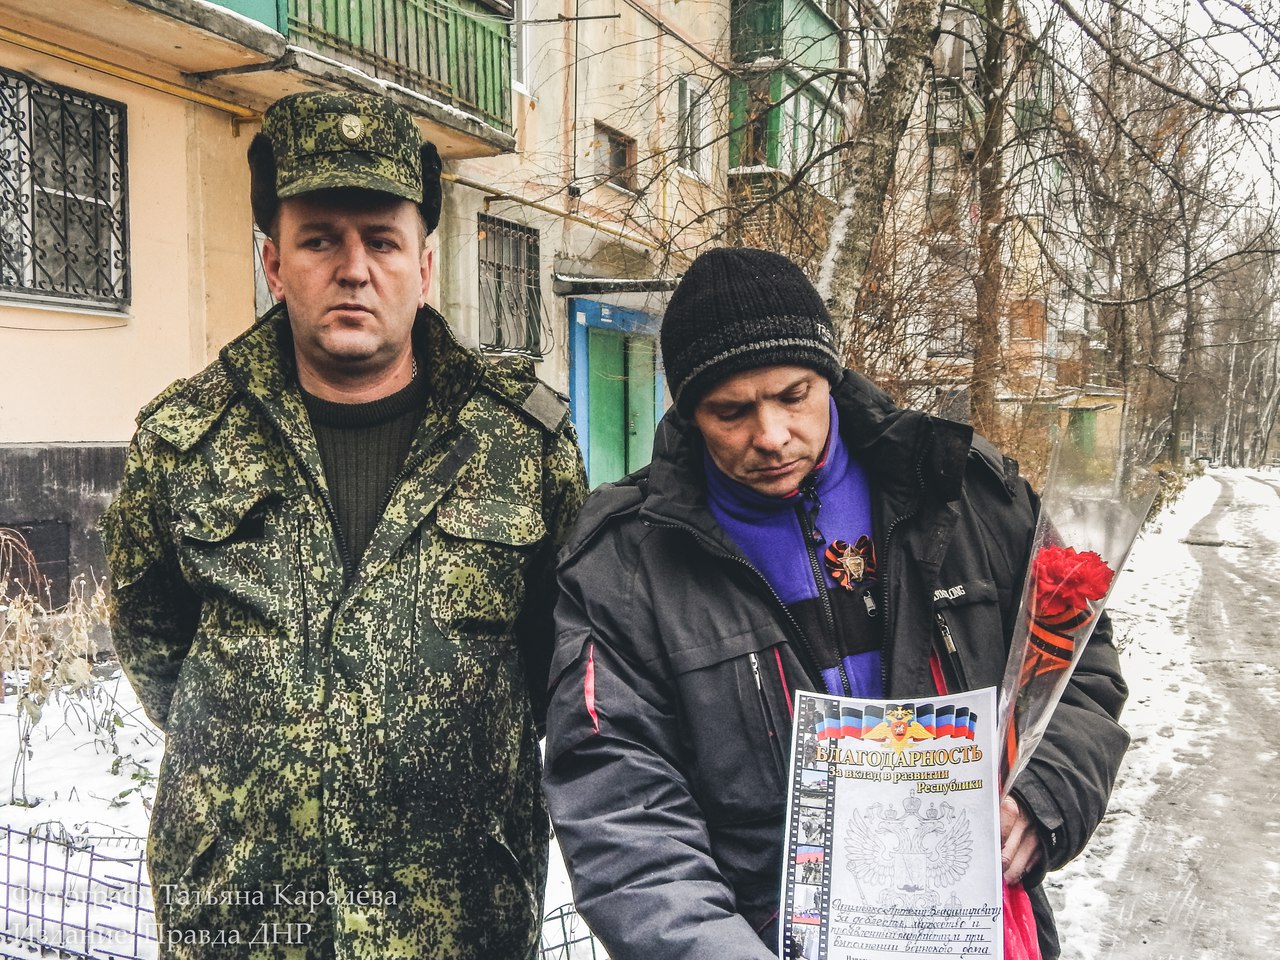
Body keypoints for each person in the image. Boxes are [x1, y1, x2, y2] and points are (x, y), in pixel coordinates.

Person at [101, 91, 587, 959]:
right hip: (247, 921)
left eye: (383, 241)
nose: (354, 268)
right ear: (273, 262)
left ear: (425, 267)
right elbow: (156, 649)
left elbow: (564, 663)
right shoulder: (184, 442)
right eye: (321, 238)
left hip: (456, 921)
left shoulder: (524, 443)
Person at [541, 247, 1128, 960]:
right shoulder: (625, 563)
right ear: (690, 413)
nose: (771, 436)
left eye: (793, 396)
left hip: (973, 929)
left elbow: (1080, 666)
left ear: (829, 376)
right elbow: (618, 800)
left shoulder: (964, 492)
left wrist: (1048, 795)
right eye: (731, 412)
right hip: (757, 938)